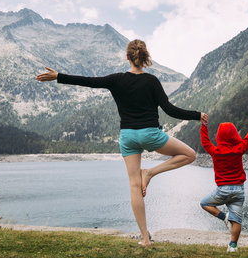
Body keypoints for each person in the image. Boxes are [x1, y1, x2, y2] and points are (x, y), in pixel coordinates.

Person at [36, 39, 207, 247]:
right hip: (150, 134)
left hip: (127, 137)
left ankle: (145, 238)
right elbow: (170, 110)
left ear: (127, 57)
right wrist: (198, 115)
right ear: (145, 58)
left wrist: (58, 76)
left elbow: (89, 81)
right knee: (190, 155)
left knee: (134, 186)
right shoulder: (152, 81)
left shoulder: (116, 80)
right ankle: (151, 172)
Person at [199, 114, 248, 253]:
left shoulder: (215, 151)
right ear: (234, 135)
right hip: (239, 191)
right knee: (237, 220)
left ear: (219, 136)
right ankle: (233, 245)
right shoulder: (238, 149)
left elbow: (205, 142)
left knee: (204, 203)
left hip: (222, 190)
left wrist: (204, 126)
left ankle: (223, 217)